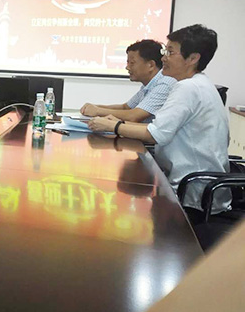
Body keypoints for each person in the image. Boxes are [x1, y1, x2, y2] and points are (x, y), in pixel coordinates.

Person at [88, 25, 230, 214]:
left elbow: (155, 133)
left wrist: (114, 126)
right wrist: (113, 123)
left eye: (170, 52)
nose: (163, 58)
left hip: (193, 196)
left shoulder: (188, 88)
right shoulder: (198, 83)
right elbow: (156, 126)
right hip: (196, 188)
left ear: (193, 58)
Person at [81, 39, 176, 122]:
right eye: (127, 62)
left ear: (151, 65)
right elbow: (126, 107)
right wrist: (95, 107)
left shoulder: (164, 83)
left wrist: (98, 111)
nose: (127, 67)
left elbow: (134, 116)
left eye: (132, 63)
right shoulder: (148, 85)